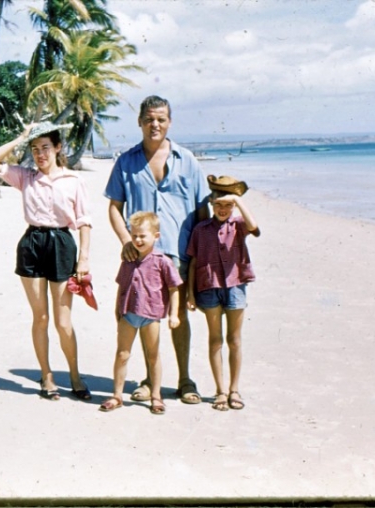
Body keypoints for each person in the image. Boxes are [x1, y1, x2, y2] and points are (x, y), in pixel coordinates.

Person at [104, 95, 211, 405]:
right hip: (140, 256)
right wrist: (126, 240)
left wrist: (199, 257)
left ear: (170, 122)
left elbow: (203, 211)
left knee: (178, 316)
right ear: (139, 121)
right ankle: (151, 380)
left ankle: (185, 379)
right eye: (149, 119)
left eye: (161, 119)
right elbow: (114, 207)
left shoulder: (187, 160)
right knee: (142, 315)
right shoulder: (126, 161)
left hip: (179, 253)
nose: (155, 124)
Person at [0, 121, 92, 401]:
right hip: (31, 244)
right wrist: (21, 137)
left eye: (45, 147)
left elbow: (84, 222)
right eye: (35, 149)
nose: (40, 154)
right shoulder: (25, 176)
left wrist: (84, 259)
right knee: (40, 317)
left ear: (57, 148)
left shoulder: (74, 180)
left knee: (63, 321)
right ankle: (47, 376)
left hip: (62, 245)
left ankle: (75, 376)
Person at [186, 175, 260, 411]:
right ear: (211, 204)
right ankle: (220, 390)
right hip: (208, 287)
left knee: (234, 340)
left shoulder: (238, 225)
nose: (222, 209)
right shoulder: (200, 229)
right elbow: (193, 261)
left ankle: (234, 389)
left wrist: (237, 201)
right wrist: (190, 293)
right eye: (218, 204)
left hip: (235, 285)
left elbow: (255, 228)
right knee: (215, 339)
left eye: (227, 205)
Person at [99, 212, 182, 415]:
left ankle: (156, 395)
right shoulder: (128, 260)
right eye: (134, 235)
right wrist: (117, 308)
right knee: (122, 354)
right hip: (129, 313)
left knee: (153, 355)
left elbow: (174, 288)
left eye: (142, 236)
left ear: (156, 236)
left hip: (151, 314)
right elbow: (122, 285)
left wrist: (174, 315)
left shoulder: (163, 261)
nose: (137, 240)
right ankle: (117, 395)